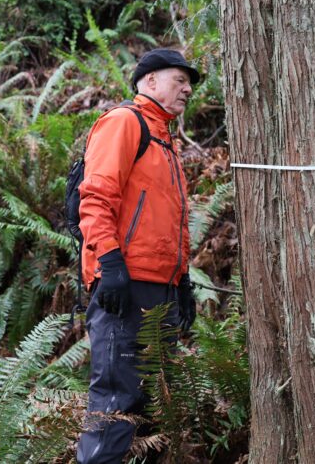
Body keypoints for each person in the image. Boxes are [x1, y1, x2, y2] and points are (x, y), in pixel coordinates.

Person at [76, 48, 199, 463]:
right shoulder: (124, 123)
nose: (187, 89)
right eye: (179, 79)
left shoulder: (166, 140)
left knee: (151, 405)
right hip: (124, 288)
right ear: (149, 81)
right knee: (117, 400)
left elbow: (168, 223)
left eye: (189, 83)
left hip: (157, 288)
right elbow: (94, 198)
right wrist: (109, 264)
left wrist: (181, 282)